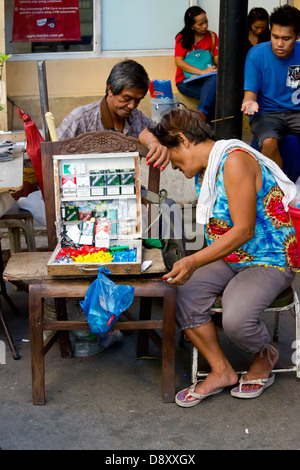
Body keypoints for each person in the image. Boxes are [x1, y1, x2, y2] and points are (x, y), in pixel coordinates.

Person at [148, 108, 298, 407]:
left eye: (173, 159)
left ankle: (265, 352)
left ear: (183, 140)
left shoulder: (235, 161)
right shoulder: (207, 166)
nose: (174, 167)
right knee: (179, 292)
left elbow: (243, 230)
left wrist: (193, 260)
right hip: (233, 256)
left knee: (236, 318)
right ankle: (221, 370)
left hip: (268, 257)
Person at [57, 59, 169, 170]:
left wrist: (154, 142)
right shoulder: (81, 119)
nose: (132, 106)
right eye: (127, 98)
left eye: (138, 100)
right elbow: (53, 152)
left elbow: (156, 133)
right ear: (110, 89)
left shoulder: (138, 119)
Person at [242, 4, 300, 169]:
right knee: (268, 142)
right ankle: (283, 189)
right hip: (267, 113)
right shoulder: (256, 54)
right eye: (275, 37)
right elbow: (250, 94)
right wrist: (249, 102)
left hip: (297, 113)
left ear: (297, 36)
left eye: (286, 38)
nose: (279, 43)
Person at [174, 6, 218, 123]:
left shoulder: (212, 36)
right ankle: (206, 123)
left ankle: (201, 118)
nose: (205, 26)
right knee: (213, 96)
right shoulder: (182, 38)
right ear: (191, 26)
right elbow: (179, 62)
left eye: (206, 21)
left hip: (208, 81)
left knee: (214, 81)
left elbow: (218, 59)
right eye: (200, 24)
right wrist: (202, 72)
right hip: (185, 81)